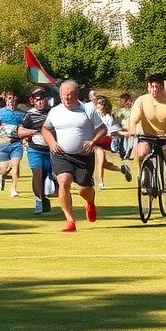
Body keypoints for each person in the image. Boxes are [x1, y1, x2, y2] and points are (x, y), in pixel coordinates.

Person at [41, 81, 106, 233]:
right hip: (61, 154)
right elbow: (45, 128)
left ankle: (90, 202)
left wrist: (93, 141)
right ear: (60, 95)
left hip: (84, 156)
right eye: (64, 95)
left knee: (84, 189)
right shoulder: (55, 111)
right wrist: (51, 143)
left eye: (70, 94)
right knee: (63, 181)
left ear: (77, 95)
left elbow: (103, 128)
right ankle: (70, 220)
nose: (67, 98)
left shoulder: (87, 109)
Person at [125, 75, 166, 185]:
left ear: (162, 87)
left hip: (164, 135)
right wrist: (132, 129)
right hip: (147, 135)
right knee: (141, 152)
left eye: (158, 86)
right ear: (148, 87)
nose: (155, 89)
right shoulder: (142, 100)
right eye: (152, 86)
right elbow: (134, 117)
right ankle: (144, 175)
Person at [18, 87, 53, 215]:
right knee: (38, 174)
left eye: (42, 99)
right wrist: (33, 132)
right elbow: (20, 132)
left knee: (53, 176)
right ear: (33, 101)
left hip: (52, 150)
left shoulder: (53, 113)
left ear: (46, 100)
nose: (40, 102)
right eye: (37, 100)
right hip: (35, 150)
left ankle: (45, 198)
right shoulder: (29, 114)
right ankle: (39, 200)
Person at [90, 95, 132, 189]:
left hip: (105, 140)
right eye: (99, 104)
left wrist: (122, 132)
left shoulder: (109, 116)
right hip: (96, 141)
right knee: (101, 161)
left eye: (103, 104)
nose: (101, 106)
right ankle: (102, 181)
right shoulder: (92, 114)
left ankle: (120, 170)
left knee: (103, 163)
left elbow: (112, 129)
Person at [0, 93, 26, 198]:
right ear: (6, 100)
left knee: (15, 164)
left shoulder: (21, 114)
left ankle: (14, 189)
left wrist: (24, 138)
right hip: (3, 144)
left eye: (13, 98)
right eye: (9, 98)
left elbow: (24, 128)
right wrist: (1, 137)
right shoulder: (1, 112)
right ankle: (1, 176)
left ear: (16, 100)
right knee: (4, 167)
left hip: (16, 143)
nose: (11, 100)